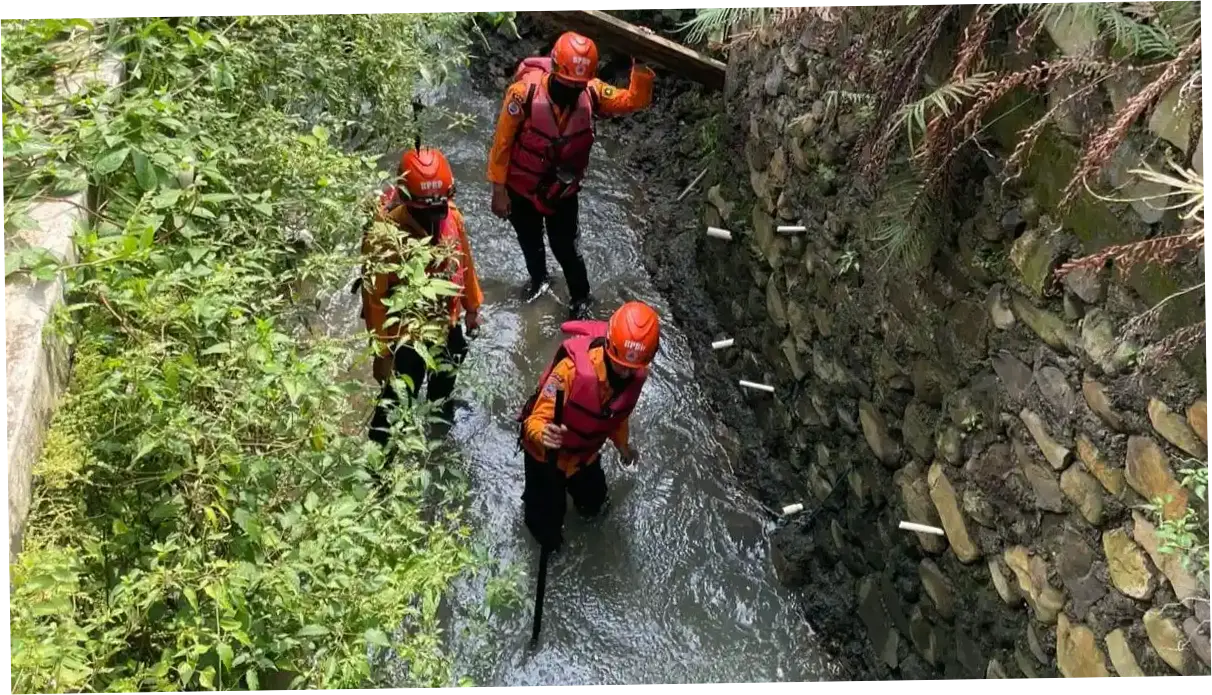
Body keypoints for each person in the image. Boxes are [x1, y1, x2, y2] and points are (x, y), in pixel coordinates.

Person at [487, 31, 656, 319]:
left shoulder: (592, 92)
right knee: (530, 243)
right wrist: (498, 191)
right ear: (554, 71)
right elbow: (502, 144)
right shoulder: (522, 95)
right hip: (520, 188)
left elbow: (632, 101)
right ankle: (539, 281)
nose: (572, 91)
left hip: (562, 192)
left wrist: (640, 66)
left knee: (566, 248)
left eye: (578, 86)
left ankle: (581, 298)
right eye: (567, 85)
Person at [362, 145, 484, 446]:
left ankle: (438, 436)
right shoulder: (384, 237)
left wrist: (472, 307)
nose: (434, 215)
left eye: (439, 206)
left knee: (445, 384)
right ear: (406, 200)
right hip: (406, 335)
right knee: (396, 402)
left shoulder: (452, 217)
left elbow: (464, 263)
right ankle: (379, 459)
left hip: (447, 321)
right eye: (425, 209)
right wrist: (382, 355)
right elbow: (375, 301)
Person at [515, 300, 661, 552]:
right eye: (620, 365)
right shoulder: (569, 371)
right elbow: (534, 420)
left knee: (595, 505)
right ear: (609, 346)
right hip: (546, 456)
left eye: (631, 369)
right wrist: (543, 434)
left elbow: (617, 416)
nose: (625, 373)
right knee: (545, 530)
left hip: (583, 456)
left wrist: (624, 448)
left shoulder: (634, 374)